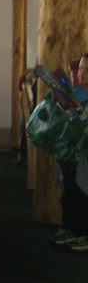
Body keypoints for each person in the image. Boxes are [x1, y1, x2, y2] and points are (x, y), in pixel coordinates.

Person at [53, 53, 88, 251]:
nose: (82, 73)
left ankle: (84, 232)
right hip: (70, 150)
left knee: (83, 190)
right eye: (81, 68)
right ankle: (69, 226)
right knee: (69, 189)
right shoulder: (75, 92)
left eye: (87, 70)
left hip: (85, 154)